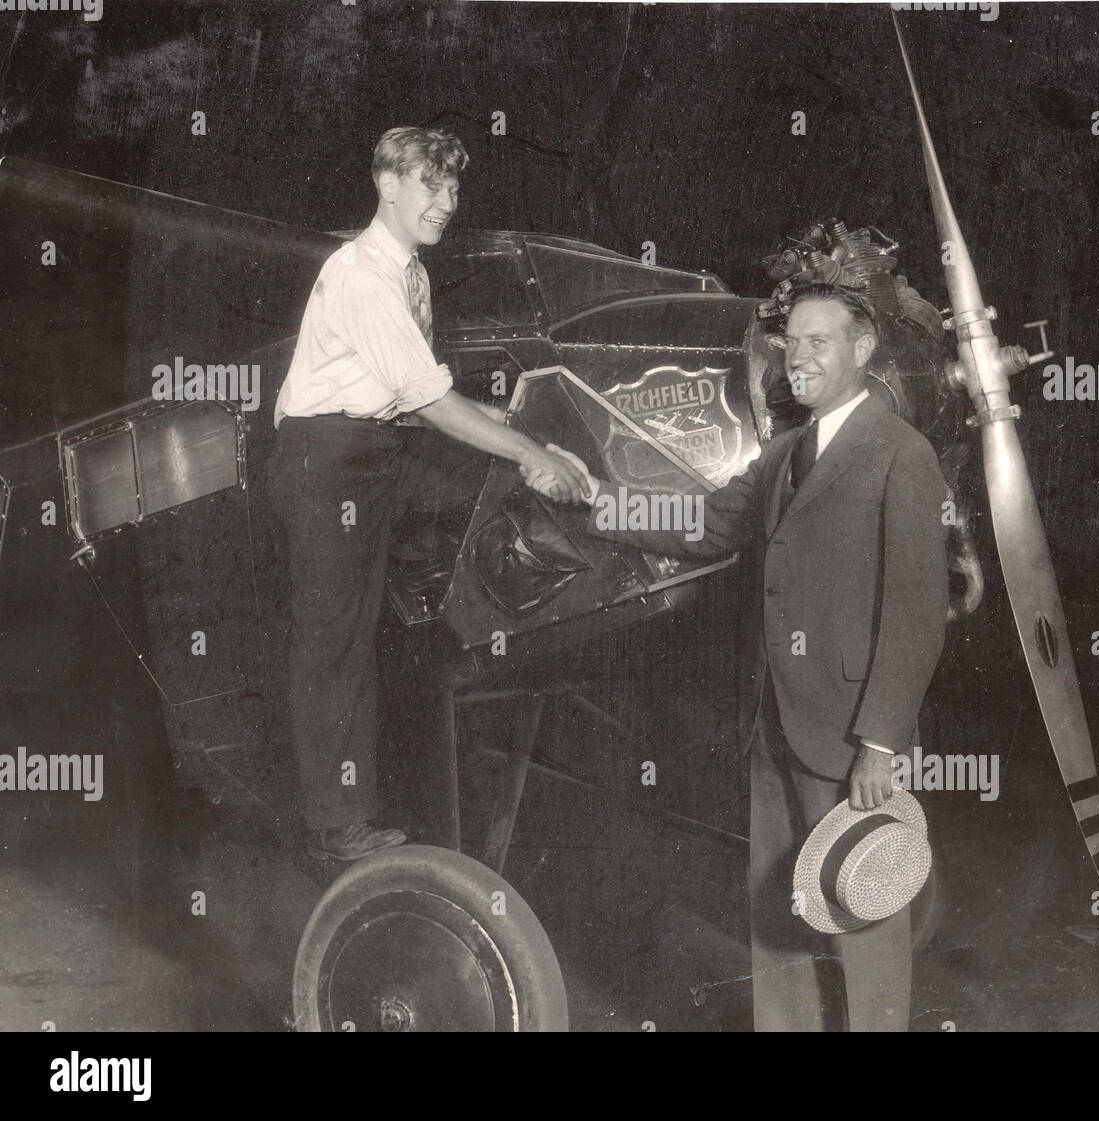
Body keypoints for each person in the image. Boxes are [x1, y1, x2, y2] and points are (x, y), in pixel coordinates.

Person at [530, 284, 949, 1030]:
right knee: (782, 905)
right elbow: (702, 522)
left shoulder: (902, 454)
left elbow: (917, 613)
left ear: (863, 350)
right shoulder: (786, 450)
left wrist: (881, 740)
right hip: (775, 721)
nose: (800, 356)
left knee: (866, 905)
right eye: (791, 341)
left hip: (852, 734)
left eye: (820, 340)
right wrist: (595, 495)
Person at [271, 126, 587, 861]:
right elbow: (435, 402)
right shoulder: (362, 277)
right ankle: (334, 828)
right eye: (429, 185)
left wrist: (527, 439)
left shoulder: (409, 271)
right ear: (387, 183)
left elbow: (420, 398)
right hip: (327, 458)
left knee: (489, 483)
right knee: (333, 641)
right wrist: (530, 448)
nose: (446, 202)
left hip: (379, 448)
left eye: (452, 188)